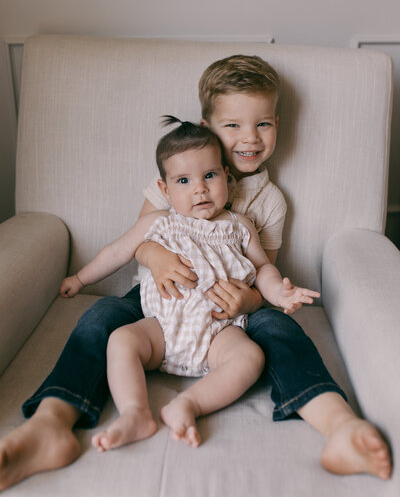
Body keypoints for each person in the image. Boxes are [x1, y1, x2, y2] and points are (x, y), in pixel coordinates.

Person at [0, 56, 391, 490]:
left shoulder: (268, 202)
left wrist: (258, 299)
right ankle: (54, 422)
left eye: (262, 125)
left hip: (233, 305)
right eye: (233, 126)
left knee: (279, 331)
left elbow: (265, 268)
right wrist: (154, 258)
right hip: (160, 296)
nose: (249, 138)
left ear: (276, 124)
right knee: (101, 318)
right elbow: (140, 239)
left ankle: (336, 424)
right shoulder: (177, 171)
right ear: (207, 124)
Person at [60, 118, 318, 451]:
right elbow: (117, 252)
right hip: (161, 330)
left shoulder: (240, 226)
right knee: (122, 340)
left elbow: (263, 267)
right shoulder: (159, 222)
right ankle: (136, 413)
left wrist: (280, 292)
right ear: (165, 190)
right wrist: (80, 278)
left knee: (250, 357)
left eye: (209, 175)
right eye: (184, 180)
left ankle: (189, 404)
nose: (200, 188)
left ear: (227, 175)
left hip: (220, 332)